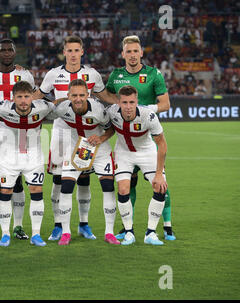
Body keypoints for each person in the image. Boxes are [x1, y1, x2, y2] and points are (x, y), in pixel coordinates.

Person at [33, 35, 115, 241]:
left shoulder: (92, 74)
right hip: (63, 131)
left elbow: (104, 96)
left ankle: (84, 224)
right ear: (64, 52)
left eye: (76, 50)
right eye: (69, 50)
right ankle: (59, 225)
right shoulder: (53, 74)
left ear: (82, 52)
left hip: (88, 133)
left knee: (84, 178)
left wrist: (126, 104)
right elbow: (39, 96)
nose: (72, 54)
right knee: (60, 179)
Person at [105, 35, 175, 241]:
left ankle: (167, 225)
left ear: (141, 52)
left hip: (147, 132)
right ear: (123, 54)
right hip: (124, 138)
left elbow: (165, 104)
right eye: (129, 51)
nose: (132, 55)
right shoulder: (115, 76)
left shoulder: (153, 74)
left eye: (136, 51)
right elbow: (108, 98)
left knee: (161, 182)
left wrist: (145, 109)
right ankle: (129, 228)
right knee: (129, 184)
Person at [0, 81, 57, 247]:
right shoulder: (2, 108)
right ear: (13, 98)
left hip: (34, 157)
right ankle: (5, 234)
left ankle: (36, 235)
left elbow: (58, 105)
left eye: (26, 96)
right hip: (9, 156)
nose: (23, 101)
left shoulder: (43, 107)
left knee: (36, 191)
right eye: (19, 97)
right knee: (5, 192)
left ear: (32, 97)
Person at [0, 38, 36, 241]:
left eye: (10, 50)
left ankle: (18, 226)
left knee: (17, 178)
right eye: (3, 50)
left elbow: (32, 96)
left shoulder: (24, 74)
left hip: (18, 130)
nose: (6, 53)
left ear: (14, 53)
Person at [51, 79, 120, 245]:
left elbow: (111, 128)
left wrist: (101, 137)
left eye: (82, 95)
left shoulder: (98, 110)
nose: (78, 99)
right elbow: (41, 111)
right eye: (74, 95)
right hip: (76, 150)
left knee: (108, 187)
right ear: (68, 96)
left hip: (99, 150)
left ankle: (109, 233)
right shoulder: (61, 108)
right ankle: (66, 232)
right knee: (66, 188)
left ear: (88, 95)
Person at [106, 85, 168, 246]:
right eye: (125, 102)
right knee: (123, 189)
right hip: (124, 153)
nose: (128, 107)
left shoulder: (149, 116)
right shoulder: (112, 112)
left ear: (137, 102)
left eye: (131, 102)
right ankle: (128, 232)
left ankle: (151, 233)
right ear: (119, 102)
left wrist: (159, 173)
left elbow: (162, 144)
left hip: (147, 153)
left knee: (160, 187)